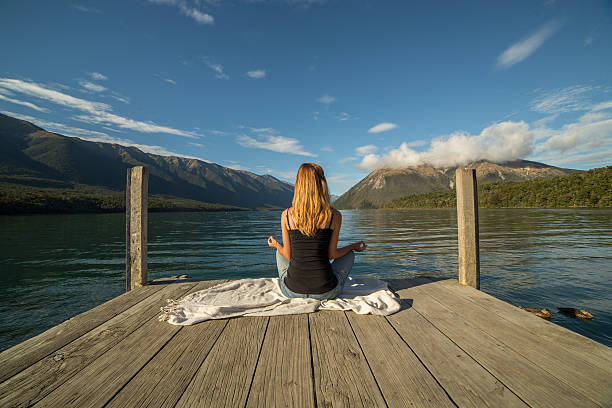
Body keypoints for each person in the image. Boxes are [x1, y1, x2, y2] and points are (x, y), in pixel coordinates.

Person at [267, 162, 367, 299]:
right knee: (349, 254)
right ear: (322, 184)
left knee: (280, 253)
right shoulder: (334, 216)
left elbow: (288, 255)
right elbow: (332, 254)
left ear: (299, 185)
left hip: (292, 291)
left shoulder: (286, 215)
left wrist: (276, 245)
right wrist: (353, 246)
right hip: (326, 292)